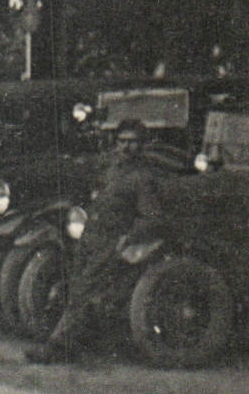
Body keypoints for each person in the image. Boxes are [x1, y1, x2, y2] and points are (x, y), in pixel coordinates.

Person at [26, 119, 164, 363]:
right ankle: (75, 343)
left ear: (142, 145)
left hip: (110, 242)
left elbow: (150, 218)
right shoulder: (111, 168)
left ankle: (55, 348)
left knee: (83, 292)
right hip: (90, 237)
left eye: (133, 142)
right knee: (75, 288)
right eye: (122, 141)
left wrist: (126, 240)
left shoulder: (143, 178)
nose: (126, 147)